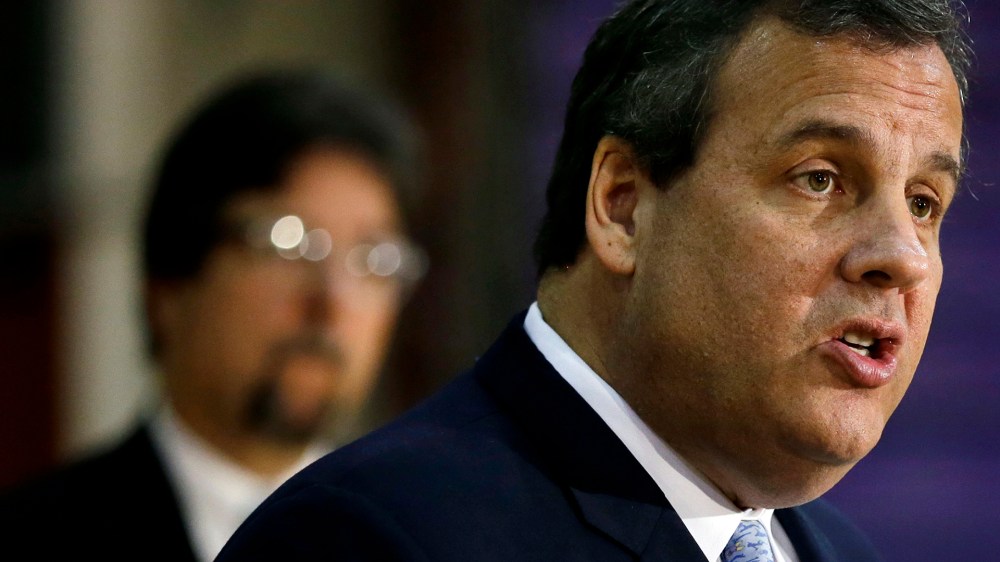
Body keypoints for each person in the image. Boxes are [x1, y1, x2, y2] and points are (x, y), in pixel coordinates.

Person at [217, 0, 969, 560]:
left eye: (924, 202)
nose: (901, 256)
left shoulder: (841, 553)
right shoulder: (373, 539)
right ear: (623, 206)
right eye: (820, 178)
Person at [0, 70, 426, 561]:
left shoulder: (419, 536)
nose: (332, 301)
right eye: (284, 242)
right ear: (169, 287)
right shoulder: (32, 539)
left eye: (374, 257)